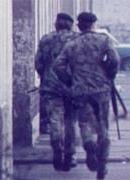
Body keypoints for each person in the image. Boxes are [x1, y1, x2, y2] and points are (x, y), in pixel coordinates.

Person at [53, 12, 120, 179]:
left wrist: (70, 80)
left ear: (79, 26)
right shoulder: (104, 40)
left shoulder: (72, 44)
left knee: (84, 123)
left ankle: (89, 143)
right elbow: (115, 60)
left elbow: (58, 66)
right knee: (102, 124)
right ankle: (102, 166)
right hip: (101, 89)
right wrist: (109, 74)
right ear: (94, 24)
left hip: (80, 89)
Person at [34, 13, 78, 171]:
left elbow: (38, 63)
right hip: (73, 88)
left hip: (51, 87)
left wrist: (44, 77)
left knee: (55, 121)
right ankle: (70, 155)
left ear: (56, 25)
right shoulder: (77, 39)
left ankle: (57, 151)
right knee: (70, 122)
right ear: (71, 25)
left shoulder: (46, 39)